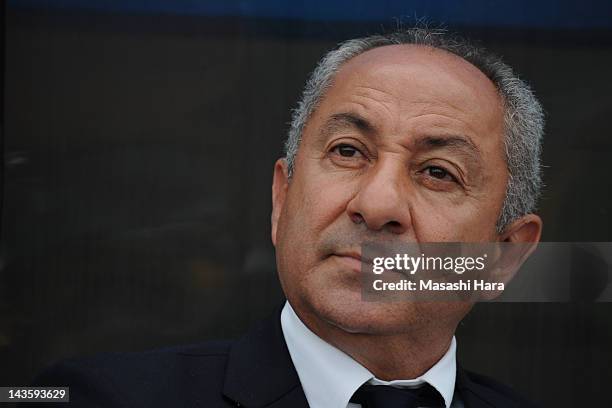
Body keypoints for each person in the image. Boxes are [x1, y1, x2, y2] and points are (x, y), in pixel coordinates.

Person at [28, 26, 544, 408]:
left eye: (437, 171)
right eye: (347, 151)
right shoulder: (88, 397)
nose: (376, 205)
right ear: (281, 199)